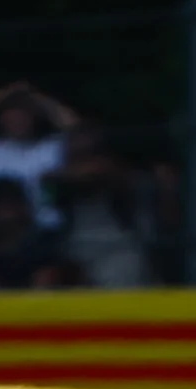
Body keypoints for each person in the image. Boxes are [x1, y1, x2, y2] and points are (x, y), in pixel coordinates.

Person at [47, 123, 159, 288]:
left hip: (118, 251)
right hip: (77, 255)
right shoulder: (62, 183)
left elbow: (98, 172)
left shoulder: (124, 175)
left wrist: (77, 173)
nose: (80, 162)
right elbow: (49, 178)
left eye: (87, 154)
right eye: (75, 155)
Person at [0, 82, 77, 227]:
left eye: (23, 117)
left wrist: (35, 96)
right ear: (1, 120)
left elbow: (77, 127)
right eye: (12, 118)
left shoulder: (51, 146)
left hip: (46, 227)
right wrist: (4, 93)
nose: (18, 122)